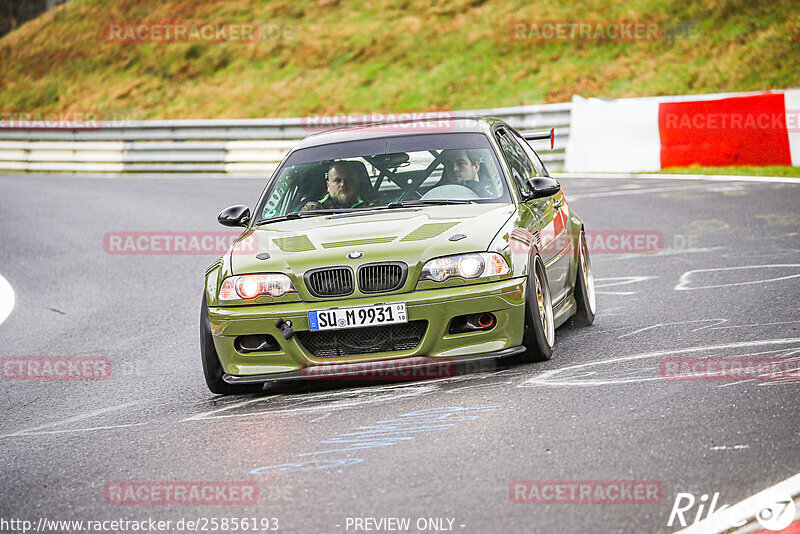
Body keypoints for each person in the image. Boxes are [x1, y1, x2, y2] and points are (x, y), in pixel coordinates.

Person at [301, 161, 367, 211]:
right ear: (328, 185)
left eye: (348, 180)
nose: (343, 184)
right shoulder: (312, 210)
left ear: (357, 183)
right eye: (337, 180)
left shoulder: (372, 207)